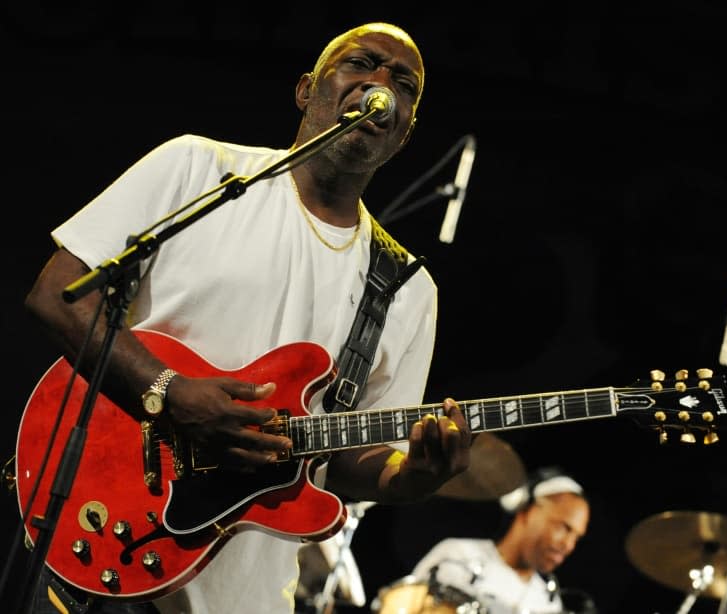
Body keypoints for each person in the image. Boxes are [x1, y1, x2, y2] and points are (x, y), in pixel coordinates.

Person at [21, 22, 471, 614]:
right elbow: (58, 294)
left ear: (404, 131)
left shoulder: (408, 290)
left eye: (404, 83)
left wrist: (414, 476)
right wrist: (170, 393)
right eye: (360, 62)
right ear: (307, 90)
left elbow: (351, 460)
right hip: (105, 541)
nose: (380, 82)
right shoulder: (198, 170)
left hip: (245, 595)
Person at [407, 467, 591, 614]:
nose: (568, 545)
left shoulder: (548, 603)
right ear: (526, 509)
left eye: (576, 537)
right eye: (564, 527)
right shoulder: (457, 556)